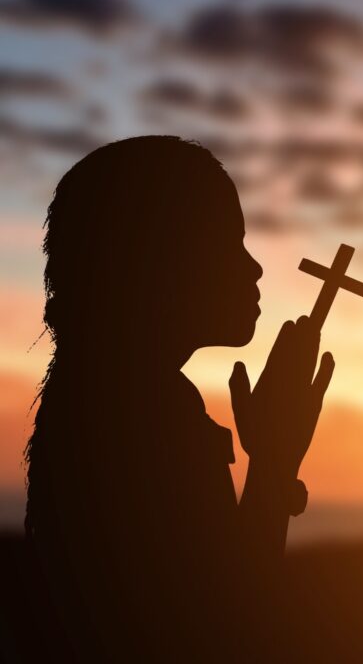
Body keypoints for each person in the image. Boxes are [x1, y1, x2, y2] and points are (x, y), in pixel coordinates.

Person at [23, 136, 334, 662]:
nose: (254, 269)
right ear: (162, 264)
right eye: (227, 245)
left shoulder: (108, 398)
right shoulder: (145, 423)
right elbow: (225, 626)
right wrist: (274, 463)